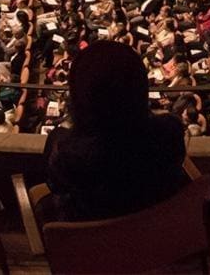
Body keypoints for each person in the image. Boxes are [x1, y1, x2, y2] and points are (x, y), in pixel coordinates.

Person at [39, 40, 187, 222]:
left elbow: (56, 187)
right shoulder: (170, 133)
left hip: (93, 235)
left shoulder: (64, 151)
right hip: (158, 229)